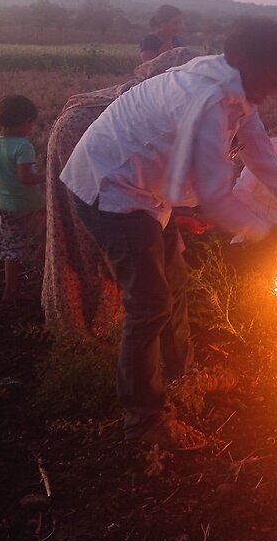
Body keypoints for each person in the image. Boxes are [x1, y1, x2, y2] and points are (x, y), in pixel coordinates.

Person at [60, 17, 277, 451]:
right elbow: (217, 201)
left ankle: (184, 378)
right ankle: (145, 423)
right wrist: (274, 236)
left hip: (146, 191)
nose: (274, 91)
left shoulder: (234, 87)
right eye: (269, 77)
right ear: (240, 60)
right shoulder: (207, 100)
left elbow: (262, 159)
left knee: (174, 285)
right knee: (149, 305)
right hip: (111, 189)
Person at [42, 47, 202, 337]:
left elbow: (153, 175)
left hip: (132, 198)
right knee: (94, 253)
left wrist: (176, 215)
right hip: (96, 189)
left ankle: (125, 333)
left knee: (153, 272)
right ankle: (94, 330)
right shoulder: (97, 120)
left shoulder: (164, 110)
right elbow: (122, 194)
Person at [0, 95, 46, 304]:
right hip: (30, 206)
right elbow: (25, 178)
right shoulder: (23, 146)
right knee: (51, 229)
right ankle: (41, 258)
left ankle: (10, 290)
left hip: (5, 206)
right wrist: (49, 175)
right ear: (26, 121)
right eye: (32, 123)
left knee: (11, 251)